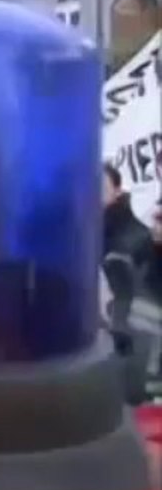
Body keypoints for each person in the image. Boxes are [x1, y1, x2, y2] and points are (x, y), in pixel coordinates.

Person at [103, 164, 156, 405]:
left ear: (117, 191)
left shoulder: (136, 239)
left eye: (99, 186)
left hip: (134, 373)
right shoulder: (78, 238)